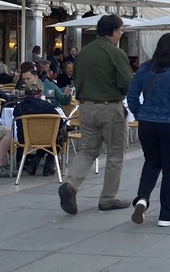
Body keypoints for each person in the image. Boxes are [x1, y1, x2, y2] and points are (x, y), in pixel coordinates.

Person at [57, 14, 133, 215]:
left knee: (87, 149)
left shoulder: (83, 53)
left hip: (86, 107)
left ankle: (71, 184)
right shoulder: (115, 53)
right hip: (110, 106)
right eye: (121, 30)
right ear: (114, 32)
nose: (121, 34)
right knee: (115, 154)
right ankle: (108, 198)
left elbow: (77, 80)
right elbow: (127, 83)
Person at [127, 33, 170, 227]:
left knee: (151, 162)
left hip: (147, 124)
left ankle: (142, 198)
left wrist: (139, 113)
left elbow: (132, 95)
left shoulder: (144, 69)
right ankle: (168, 214)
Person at [14, 80, 63, 176]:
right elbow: (59, 122)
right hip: (47, 139)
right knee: (56, 135)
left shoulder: (18, 107)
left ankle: (34, 163)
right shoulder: (48, 107)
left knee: (42, 135)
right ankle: (48, 166)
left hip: (24, 140)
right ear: (41, 92)